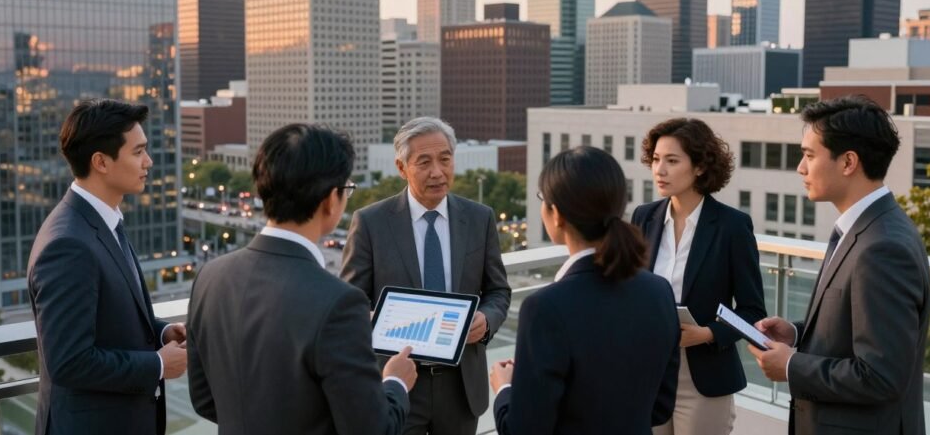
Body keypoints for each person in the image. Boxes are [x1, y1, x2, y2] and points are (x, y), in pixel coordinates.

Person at [188, 123, 417, 435]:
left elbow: (204, 399)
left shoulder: (210, 276)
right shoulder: (339, 302)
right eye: (346, 189)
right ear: (329, 200)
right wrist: (395, 383)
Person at [750, 96, 930, 435]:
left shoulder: (882, 247)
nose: (800, 168)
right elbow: (858, 326)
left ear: (848, 162)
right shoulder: (866, 231)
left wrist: (791, 365)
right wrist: (799, 332)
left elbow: (881, 376)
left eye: (808, 155)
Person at [489, 146, 679, 434]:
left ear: (557, 215)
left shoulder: (546, 307)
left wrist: (505, 388)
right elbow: (661, 407)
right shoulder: (658, 290)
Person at [341, 116, 511, 435]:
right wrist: (379, 321)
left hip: (461, 386)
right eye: (424, 162)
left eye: (445, 159)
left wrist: (487, 321)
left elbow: (498, 292)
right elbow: (349, 304)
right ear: (402, 167)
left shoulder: (479, 218)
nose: (437, 171)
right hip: (400, 383)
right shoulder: (370, 223)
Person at [27, 99, 188, 435]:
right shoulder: (68, 244)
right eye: (138, 152)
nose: (149, 162)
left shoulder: (103, 222)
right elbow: (69, 362)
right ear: (100, 161)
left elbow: (106, 318)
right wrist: (158, 364)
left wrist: (161, 332)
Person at [631, 118, 766, 435]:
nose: (659, 170)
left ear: (700, 167)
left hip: (703, 378)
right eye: (656, 160)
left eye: (672, 161)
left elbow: (753, 312)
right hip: (648, 371)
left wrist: (706, 334)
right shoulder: (643, 217)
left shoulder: (732, 227)